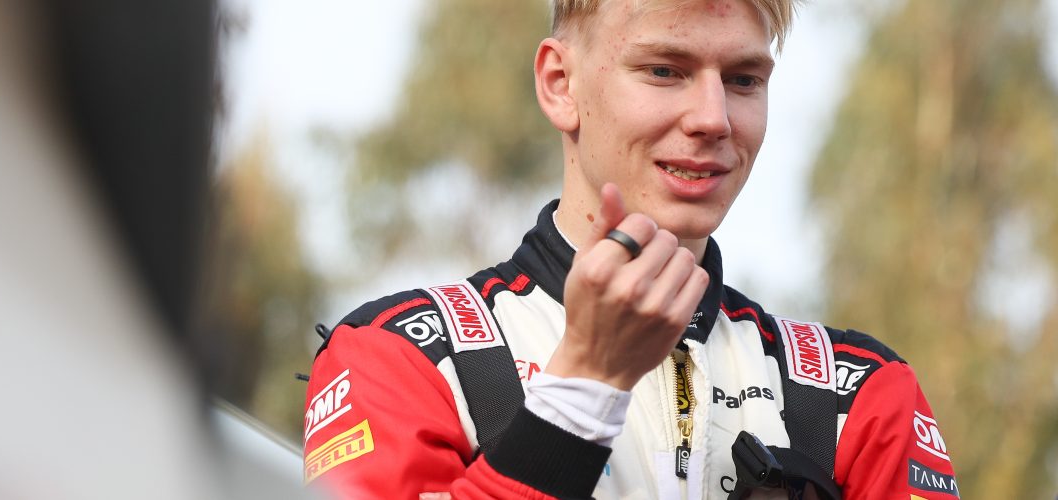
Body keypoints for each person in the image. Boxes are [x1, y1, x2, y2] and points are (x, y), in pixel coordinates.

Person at [300, 0, 959, 498]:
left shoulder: (856, 396)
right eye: (665, 70)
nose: (713, 118)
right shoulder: (396, 358)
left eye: (743, 80)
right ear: (561, 84)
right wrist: (583, 387)